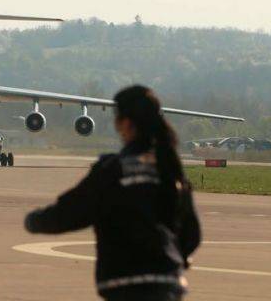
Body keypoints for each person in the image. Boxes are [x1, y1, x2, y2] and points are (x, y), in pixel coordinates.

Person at [25, 85, 201, 301]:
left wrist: (35, 221)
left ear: (125, 124)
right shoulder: (170, 170)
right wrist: (176, 256)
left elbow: (72, 212)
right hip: (168, 283)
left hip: (125, 284)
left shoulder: (111, 171)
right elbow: (191, 232)